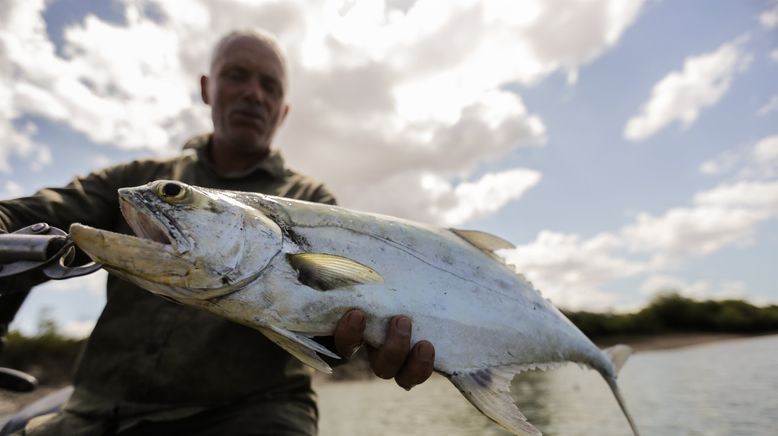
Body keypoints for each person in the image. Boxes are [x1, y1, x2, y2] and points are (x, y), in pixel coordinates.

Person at [0, 29, 435, 435]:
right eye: (237, 76)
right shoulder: (143, 182)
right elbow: (28, 214)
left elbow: (330, 325)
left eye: (270, 86)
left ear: (283, 111)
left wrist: (365, 337)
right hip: (97, 408)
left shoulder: (310, 200)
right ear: (207, 88)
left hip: (254, 412)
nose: (253, 93)